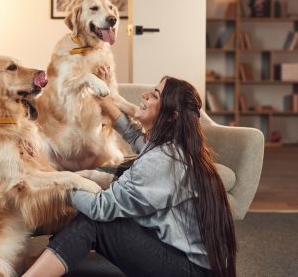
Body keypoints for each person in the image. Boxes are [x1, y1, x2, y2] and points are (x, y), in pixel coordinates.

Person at [23, 76, 237, 277]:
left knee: (95, 221)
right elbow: (135, 136)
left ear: (172, 116)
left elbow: (101, 207)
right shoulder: (173, 146)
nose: (145, 95)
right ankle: (45, 260)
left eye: (154, 95)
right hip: (190, 262)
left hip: (188, 270)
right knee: (97, 197)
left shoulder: (164, 160)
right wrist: (107, 104)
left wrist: (50, 174)